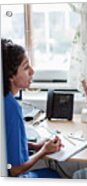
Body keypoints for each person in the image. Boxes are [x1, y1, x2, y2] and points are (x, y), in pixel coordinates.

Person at [1, 38, 63, 178]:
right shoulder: (11, 108)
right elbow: (15, 170)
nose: (32, 71)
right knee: (54, 176)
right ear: (10, 76)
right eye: (26, 67)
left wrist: (34, 146)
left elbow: (5, 146)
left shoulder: (4, 100)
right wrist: (43, 152)